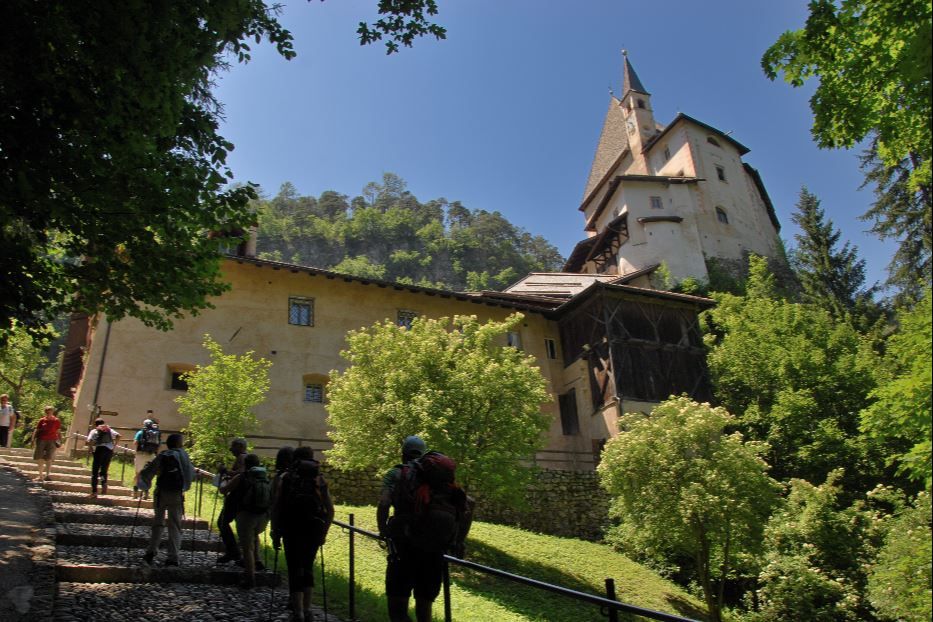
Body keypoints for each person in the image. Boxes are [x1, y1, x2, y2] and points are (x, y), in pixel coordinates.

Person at [377, 436, 473, 622]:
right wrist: (459, 541)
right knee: (424, 608)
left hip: (403, 548)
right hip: (434, 551)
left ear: (403, 454)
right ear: (424, 454)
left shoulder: (396, 473)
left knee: (397, 609)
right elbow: (468, 504)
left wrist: (383, 531)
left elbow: (384, 503)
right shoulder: (440, 478)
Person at [272, 446, 334, 621]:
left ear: (295, 459)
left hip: (290, 528)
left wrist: (275, 531)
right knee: (307, 567)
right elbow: (330, 509)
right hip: (313, 529)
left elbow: (277, 507)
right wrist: (324, 533)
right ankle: (308, 610)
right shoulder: (319, 479)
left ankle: (298, 612)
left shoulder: (286, 478)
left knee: (294, 568)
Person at [138, 432, 195, 567]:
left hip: (161, 493)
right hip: (176, 494)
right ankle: (173, 557)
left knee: (158, 523)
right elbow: (191, 475)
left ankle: (151, 552)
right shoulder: (184, 456)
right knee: (175, 524)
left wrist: (143, 482)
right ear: (178, 443)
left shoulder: (163, 455)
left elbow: (149, 472)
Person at [224, 453, 273, 588]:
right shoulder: (265, 477)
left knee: (247, 548)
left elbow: (224, 490)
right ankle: (258, 561)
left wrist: (224, 481)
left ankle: (250, 578)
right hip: (262, 515)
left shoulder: (241, 477)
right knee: (254, 536)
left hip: (245, 515)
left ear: (246, 464)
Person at [216, 437, 248, 564]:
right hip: (241, 497)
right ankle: (235, 552)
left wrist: (225, 471)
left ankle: (233, 552)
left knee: (222, 522)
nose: (230, 449)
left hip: (236, 497)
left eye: (233, 446)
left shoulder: (242, 457)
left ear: (240, 446)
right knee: (224, 522)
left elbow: (241, 473)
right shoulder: (245, 457)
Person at [85, 417, 120, 497]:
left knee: (95, 472)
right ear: (103, 423)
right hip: (109, 451)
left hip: (99, 450)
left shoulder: (94, 430)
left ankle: (94, 492)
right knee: (104, 470)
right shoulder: (109, 429)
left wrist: (90, 448)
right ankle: (104, 483)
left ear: (95, 424)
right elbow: (118, 436)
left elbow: (89, 441)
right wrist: (114, 446)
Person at [133, 414, 161, 499]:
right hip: (151, 455)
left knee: (138, 474)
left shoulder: (140, 432)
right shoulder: (156, 433)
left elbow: (135, 442)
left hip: (140, 455)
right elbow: (158, 445)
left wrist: (136, 451)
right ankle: (146, 493)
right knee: (148, 475)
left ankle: (135, 492)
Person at [31, 406, 62, 482]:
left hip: (52, 440)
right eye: (47, 411)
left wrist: (60, 441)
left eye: (50, 411)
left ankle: (47, 475)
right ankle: (40, 475)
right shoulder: (42, 420)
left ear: (52, 412)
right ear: (45, 412)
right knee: (39, 457)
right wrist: (33, 440)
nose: (48, 413)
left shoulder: (56, 420)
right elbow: (37, 430)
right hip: (41, 440)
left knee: (49, 458)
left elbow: (58, 431)